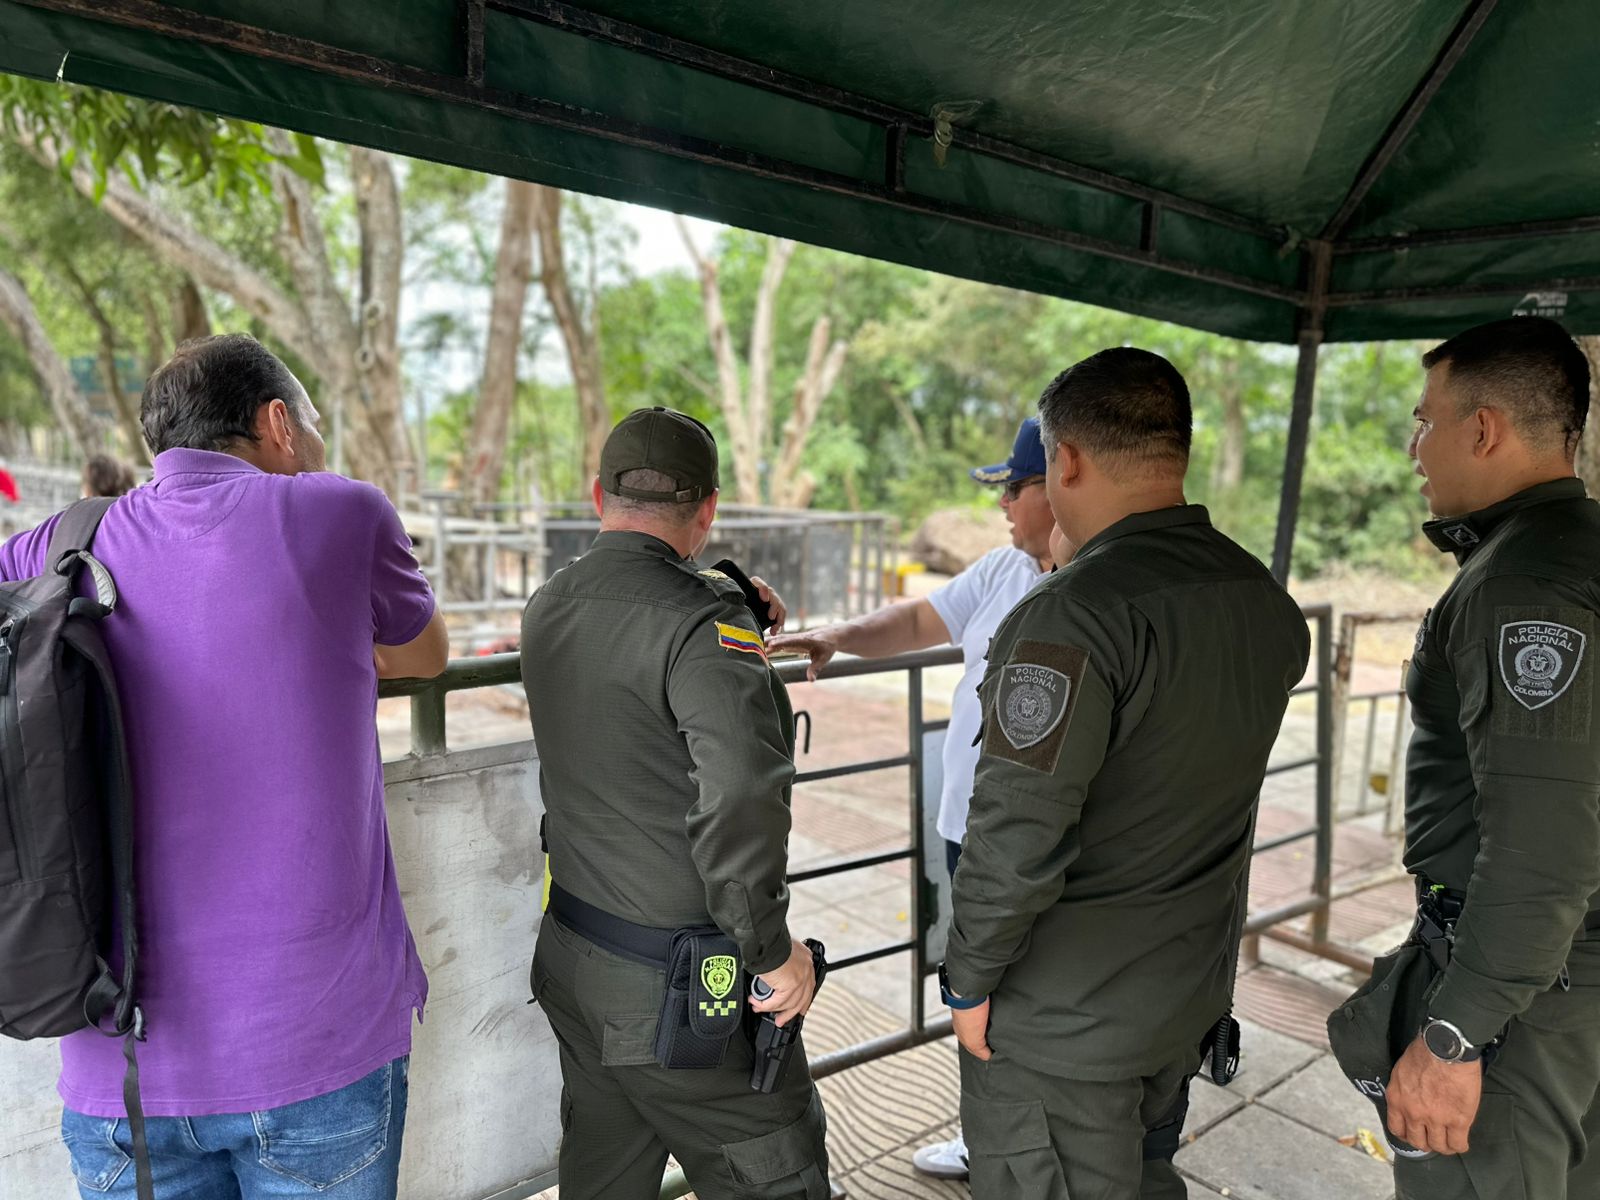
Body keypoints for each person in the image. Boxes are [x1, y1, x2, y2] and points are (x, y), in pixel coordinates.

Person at [0, 333, 448, 1200]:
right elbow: (423, 653)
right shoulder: (339, 511)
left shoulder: (68, 541)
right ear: (278, 423)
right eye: (313, 426)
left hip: (118, 1071)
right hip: (312, 1055)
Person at [940, 348, 1310, 1198]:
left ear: (1066, 460)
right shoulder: (1256, 595)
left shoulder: (1072, 614)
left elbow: (1016, 834)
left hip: (1066, 1023)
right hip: (1182, 992)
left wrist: (969, 977)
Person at [520, 406, 829, 1200]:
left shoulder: (548, 603)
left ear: (599, 496)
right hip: (683, 993)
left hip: (575, 955)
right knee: (776, 1168)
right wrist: (770, 951)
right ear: (709, 508)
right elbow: (741, 793)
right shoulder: (703, 621)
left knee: (604, 1176)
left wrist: (732, 600)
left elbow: (631, 655)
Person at [1334, 316, 1600, 1199]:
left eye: (1424, 421)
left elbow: (1541, 842)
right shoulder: (1578, 550)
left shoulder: (1523, 583)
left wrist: (1455, 1035)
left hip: (1524, 1000)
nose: (1415, 449)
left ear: (1482, 429)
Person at [768, 414, 1059, 1181]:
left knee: (1033, 990)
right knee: (978, 986)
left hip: (1042, 835)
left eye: (1015, 487)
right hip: (969, 827)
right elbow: (917, 619)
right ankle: (988, 1137)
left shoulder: (1093, 588)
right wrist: (839, 634)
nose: (1003, 504)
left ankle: (1038, 1150)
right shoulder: (1002, 570)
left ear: (1062, 483)